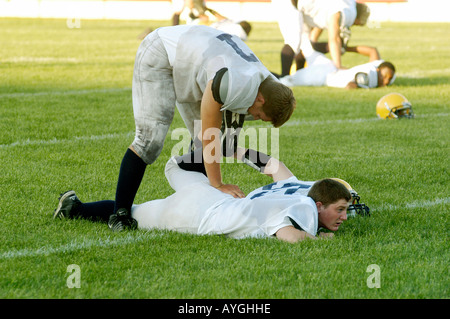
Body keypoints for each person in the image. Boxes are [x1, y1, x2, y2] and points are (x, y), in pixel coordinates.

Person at [109, 25, 296, 232]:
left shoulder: (265, 87)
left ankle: (76, 208)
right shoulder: (233, 83)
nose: (255, 118)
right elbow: (210, 134)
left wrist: (232, 153)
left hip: (195, 63)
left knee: (204, 148)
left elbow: (225, 145)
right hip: (163, 52)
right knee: (149, 141)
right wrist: (217, 184)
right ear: (260, 99)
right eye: (260, 115)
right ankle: (120, 214)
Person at [53, 148, 362, 243]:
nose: (344, 216)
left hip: (210, 196)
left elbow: (272, 165)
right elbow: (289, 236)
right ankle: (75, 209)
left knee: (134, 208)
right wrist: (321, 239)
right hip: (200, 216)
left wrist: (232, 149)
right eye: (341, 209)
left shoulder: (295, 184)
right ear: (320, 201)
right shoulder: (304, 205)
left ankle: (75, 208)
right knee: (134, 213)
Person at [272, 0, 370, 76]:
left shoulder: (342, 6)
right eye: (356, 24)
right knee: (293, 42)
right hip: (291, 3)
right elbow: (334, 38)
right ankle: (283, 78)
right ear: (357, 19)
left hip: (299, 7)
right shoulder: (345, 11)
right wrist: (338, 66)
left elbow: (313, 39)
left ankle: (296, 75)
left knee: (305, 46)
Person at [279, 41, 396, 89]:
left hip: (331, 67)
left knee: (307, 49)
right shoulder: (373, 71)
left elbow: (373, 51)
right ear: (378, 69)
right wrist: (345, 48)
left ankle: (301, 58)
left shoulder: (378, 68)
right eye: (383, 76)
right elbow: (350, 86)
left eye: (388, 79)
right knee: (285, 81)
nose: (385, 81)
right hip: (324, 75)